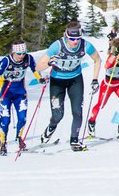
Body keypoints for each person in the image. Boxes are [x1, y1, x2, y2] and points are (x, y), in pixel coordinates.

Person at [35, 22, 101, 152]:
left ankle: (74, 140)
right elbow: (38, 67)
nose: (75, 42)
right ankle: (51, 127)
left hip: (75, 80)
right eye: (72, 39)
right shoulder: (57, 45)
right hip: (57, 81)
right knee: (58, 115)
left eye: (77, 38)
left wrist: (95, 79)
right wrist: (49, 62)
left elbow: (97, 60)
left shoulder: (85, 45)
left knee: (77, 112)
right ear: (66, 36)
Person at [0, 41, 44, 156]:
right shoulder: (7, 60)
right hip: (5, 92)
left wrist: (40, 79)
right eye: (19, 53)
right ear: (14, 52)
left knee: (22, 117)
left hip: (19, 92)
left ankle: (19, 138)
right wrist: (5, 77)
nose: (21, 56)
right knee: (6, 120)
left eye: (23, 53)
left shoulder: (28, 58)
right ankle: (3, 142)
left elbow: (35, 69)